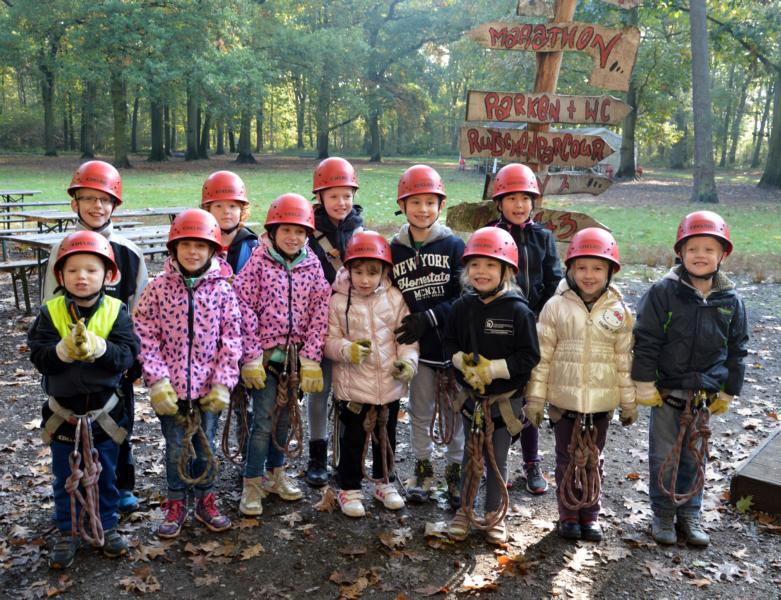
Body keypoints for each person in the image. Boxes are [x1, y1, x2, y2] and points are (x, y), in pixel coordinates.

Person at [632, 211, 748, 547]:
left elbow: (737, 348)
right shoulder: (663, 292)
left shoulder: (730, 300)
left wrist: (729, 390)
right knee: (664, 456)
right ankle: (663, 512)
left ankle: (690, 512)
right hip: (668, 393)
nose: (700, 255)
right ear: (680, 253)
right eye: (693, 248)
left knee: (695, 456)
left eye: (709, 249)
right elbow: (647, 339)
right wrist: (644, 383)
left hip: (704, 396)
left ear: (722, 255)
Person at [42, 160, 148, 513]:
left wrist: (134, 358)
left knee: (119, 423)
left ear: (114, 204)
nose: (96, 206)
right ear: (75, 202)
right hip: (69, 363)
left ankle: (121, 486)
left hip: (116, 358)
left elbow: (141, 307)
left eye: (104, 199)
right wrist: (58, 353)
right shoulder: (62, 251)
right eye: (88, 198)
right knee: (71, 430)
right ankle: (76, 494)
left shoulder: (129, 253)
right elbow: (49, 304)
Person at [29, 231, 139, 568]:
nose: (82, 277)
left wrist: (101, 349)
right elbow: (39, 356)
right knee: (67, 475)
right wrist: (60, 351)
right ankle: (69, 529)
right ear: (61, 276)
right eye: (73, 270)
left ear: (108, 275)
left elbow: (128, 355)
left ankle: (106, 522)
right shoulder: (50, 313)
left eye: (91, 270)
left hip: (104, 412)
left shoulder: (116, 311)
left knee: (105, 473)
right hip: (64, 414)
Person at [133, 209, 241, 539]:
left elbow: (232, 337)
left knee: (206, 444)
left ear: (212, 250)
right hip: (172, 389)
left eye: (200, 246)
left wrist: (223, 382)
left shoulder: (223, 291)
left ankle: (206, 500)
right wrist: (157, 380)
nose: (193, 252)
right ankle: (177, 501)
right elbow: (144, 333)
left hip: (208, 390)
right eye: (186, 245)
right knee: (176, 448)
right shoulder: (158, 289)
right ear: (174, 248)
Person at [525, 228, 636, 542]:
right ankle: (568, 515)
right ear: (570, 269)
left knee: (593, 460)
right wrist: (535, 399)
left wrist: (629, 402)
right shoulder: (555, 307)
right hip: (565, 403)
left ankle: (590, 515)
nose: (589, 275)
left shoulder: (619, 312)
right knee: (566, 458)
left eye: (598, 268)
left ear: (610, 271)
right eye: (582, 267)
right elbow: (542, 357)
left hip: (601, 404)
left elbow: (624, 360)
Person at [233, 193, 331, 516]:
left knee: (286, 420)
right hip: (265, 359)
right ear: (272, 232)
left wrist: (311, 357)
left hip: (295, 361)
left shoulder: (312, 266)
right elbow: (243, 307)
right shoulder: (258, 263)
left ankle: (276, 474)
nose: (293, 237)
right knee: (262, 421)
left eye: (299, 232)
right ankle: (252, 481)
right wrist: (250, 355)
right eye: (286, 230)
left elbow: (320, 311)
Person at [444, 227, 540, 545]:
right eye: (475, 265)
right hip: (471, 399)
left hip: (504, 401)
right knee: (471, 454)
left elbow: (530, 356)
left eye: (490, 265)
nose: (481, 272)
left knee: (497, 457)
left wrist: (494, 369)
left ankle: (493, 512)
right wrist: (461, 362)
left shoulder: (518, 311)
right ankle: (465, 509)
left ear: (506, 271)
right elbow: (449, 342)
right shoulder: (462, 307)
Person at [324, 231, 418, 517]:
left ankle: (384, 481)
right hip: (353, 388)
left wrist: (408, 363)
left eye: (372, 273)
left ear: (384, 272)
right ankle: (349, 487)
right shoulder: (338, 301)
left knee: (385, 438)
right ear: (348, 270)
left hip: (388, 385)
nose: (365, 279)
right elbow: (327, 340)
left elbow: (406, 339)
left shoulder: (395, 299)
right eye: (358, 272)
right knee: (352, 439)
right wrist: (346, 350)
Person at [390, 164, 465, 509]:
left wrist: (431, 317)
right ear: (402, 205)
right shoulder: (394, 249)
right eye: (415, 202)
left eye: (430, 202)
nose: (423, 209)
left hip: (452, 346)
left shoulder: (454, 245)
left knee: (453, 414)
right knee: (420, 411)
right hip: (417, 348)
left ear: (441, 205)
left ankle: (455, 471)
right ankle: (422, 469)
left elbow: (465, 296)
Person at [485, 162, 562, 495]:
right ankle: (493, 459)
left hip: (534, 326)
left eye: (525, 199)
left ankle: (531, 461)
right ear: (499, 202)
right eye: (511, 198)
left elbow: (554, 279)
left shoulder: (542, 237)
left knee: (531, 396)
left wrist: (541, 315)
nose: (519, 205)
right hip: (498, 326)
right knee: (498, 395)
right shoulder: (491, 234)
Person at [305, 157, 364, 487]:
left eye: (346, 195)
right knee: (319, 390)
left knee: (348, 392)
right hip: (318, 325)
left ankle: (343, 456)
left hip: (351, 325)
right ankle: (317, 452)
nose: (341, 202)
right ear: (320, 197)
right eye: (333, 196)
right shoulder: (307, 233)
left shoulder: (361, 232)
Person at [200, 170, 259, 274]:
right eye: (218, 206)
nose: (226, 211)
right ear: (208, 210)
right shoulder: (199, 243)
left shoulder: (253, 247)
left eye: (232, 206)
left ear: (242, 210)